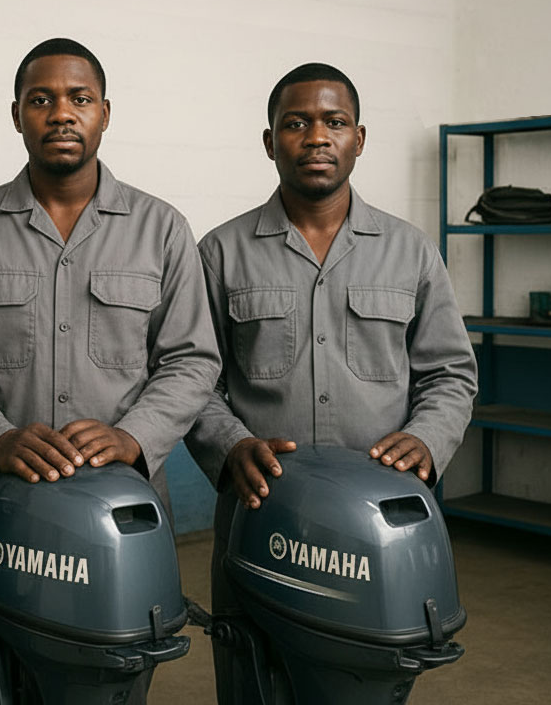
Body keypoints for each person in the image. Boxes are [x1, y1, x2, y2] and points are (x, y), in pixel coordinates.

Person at [0, 38, 221, 704]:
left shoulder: (162, 230)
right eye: (41, 99)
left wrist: (133, 436)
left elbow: (192, 359)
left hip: (124, 511)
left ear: (105, 112)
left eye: (79, 98)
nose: (61, 113)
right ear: (16, 114)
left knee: (111, 680)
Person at [185, 62, 477, 703]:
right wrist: (230, 445)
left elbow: (450, 372)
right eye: (296, 123)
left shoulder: (411, 251)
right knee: (253, 678)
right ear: (270, 141)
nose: (317, 136)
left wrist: (427, 440)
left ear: (359, 139)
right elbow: (193, 377)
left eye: (334, 122)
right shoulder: (221, 253)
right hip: (260, 512)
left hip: (375, 530)